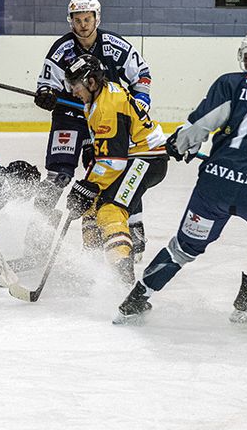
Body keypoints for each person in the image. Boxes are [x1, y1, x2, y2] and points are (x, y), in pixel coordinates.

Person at [116, 30, 247, 324]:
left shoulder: (232, 83)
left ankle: (135, 300)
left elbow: (200, 126)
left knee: (182, 248)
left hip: (215, 186)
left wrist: (179, 145)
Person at [32, 0, 153, 258]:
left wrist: (140, 103)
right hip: (68, 116)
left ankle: (133, 230)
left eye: (87, 19)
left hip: (103, 117)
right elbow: (46, 83)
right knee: (58, 173)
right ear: (71, 21)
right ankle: (37, 230)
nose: (83, 25)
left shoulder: (114, 45)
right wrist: (46, 94)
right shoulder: (62, 48)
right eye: (78, 20)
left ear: (97, 18)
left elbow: (142, 75)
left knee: (106, 172)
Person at [62, 54, 168, 284]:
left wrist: (89, 185)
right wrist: (89, 185)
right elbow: (107, 152)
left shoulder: (108, 106)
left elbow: (114, 162)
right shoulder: (99, 96)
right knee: (91, 205)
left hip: (147, 159)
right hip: (132, 156)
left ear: (91, 82)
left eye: (75, 86)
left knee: (110, 210)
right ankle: (91, 266)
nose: (72, 92)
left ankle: (122, 275)